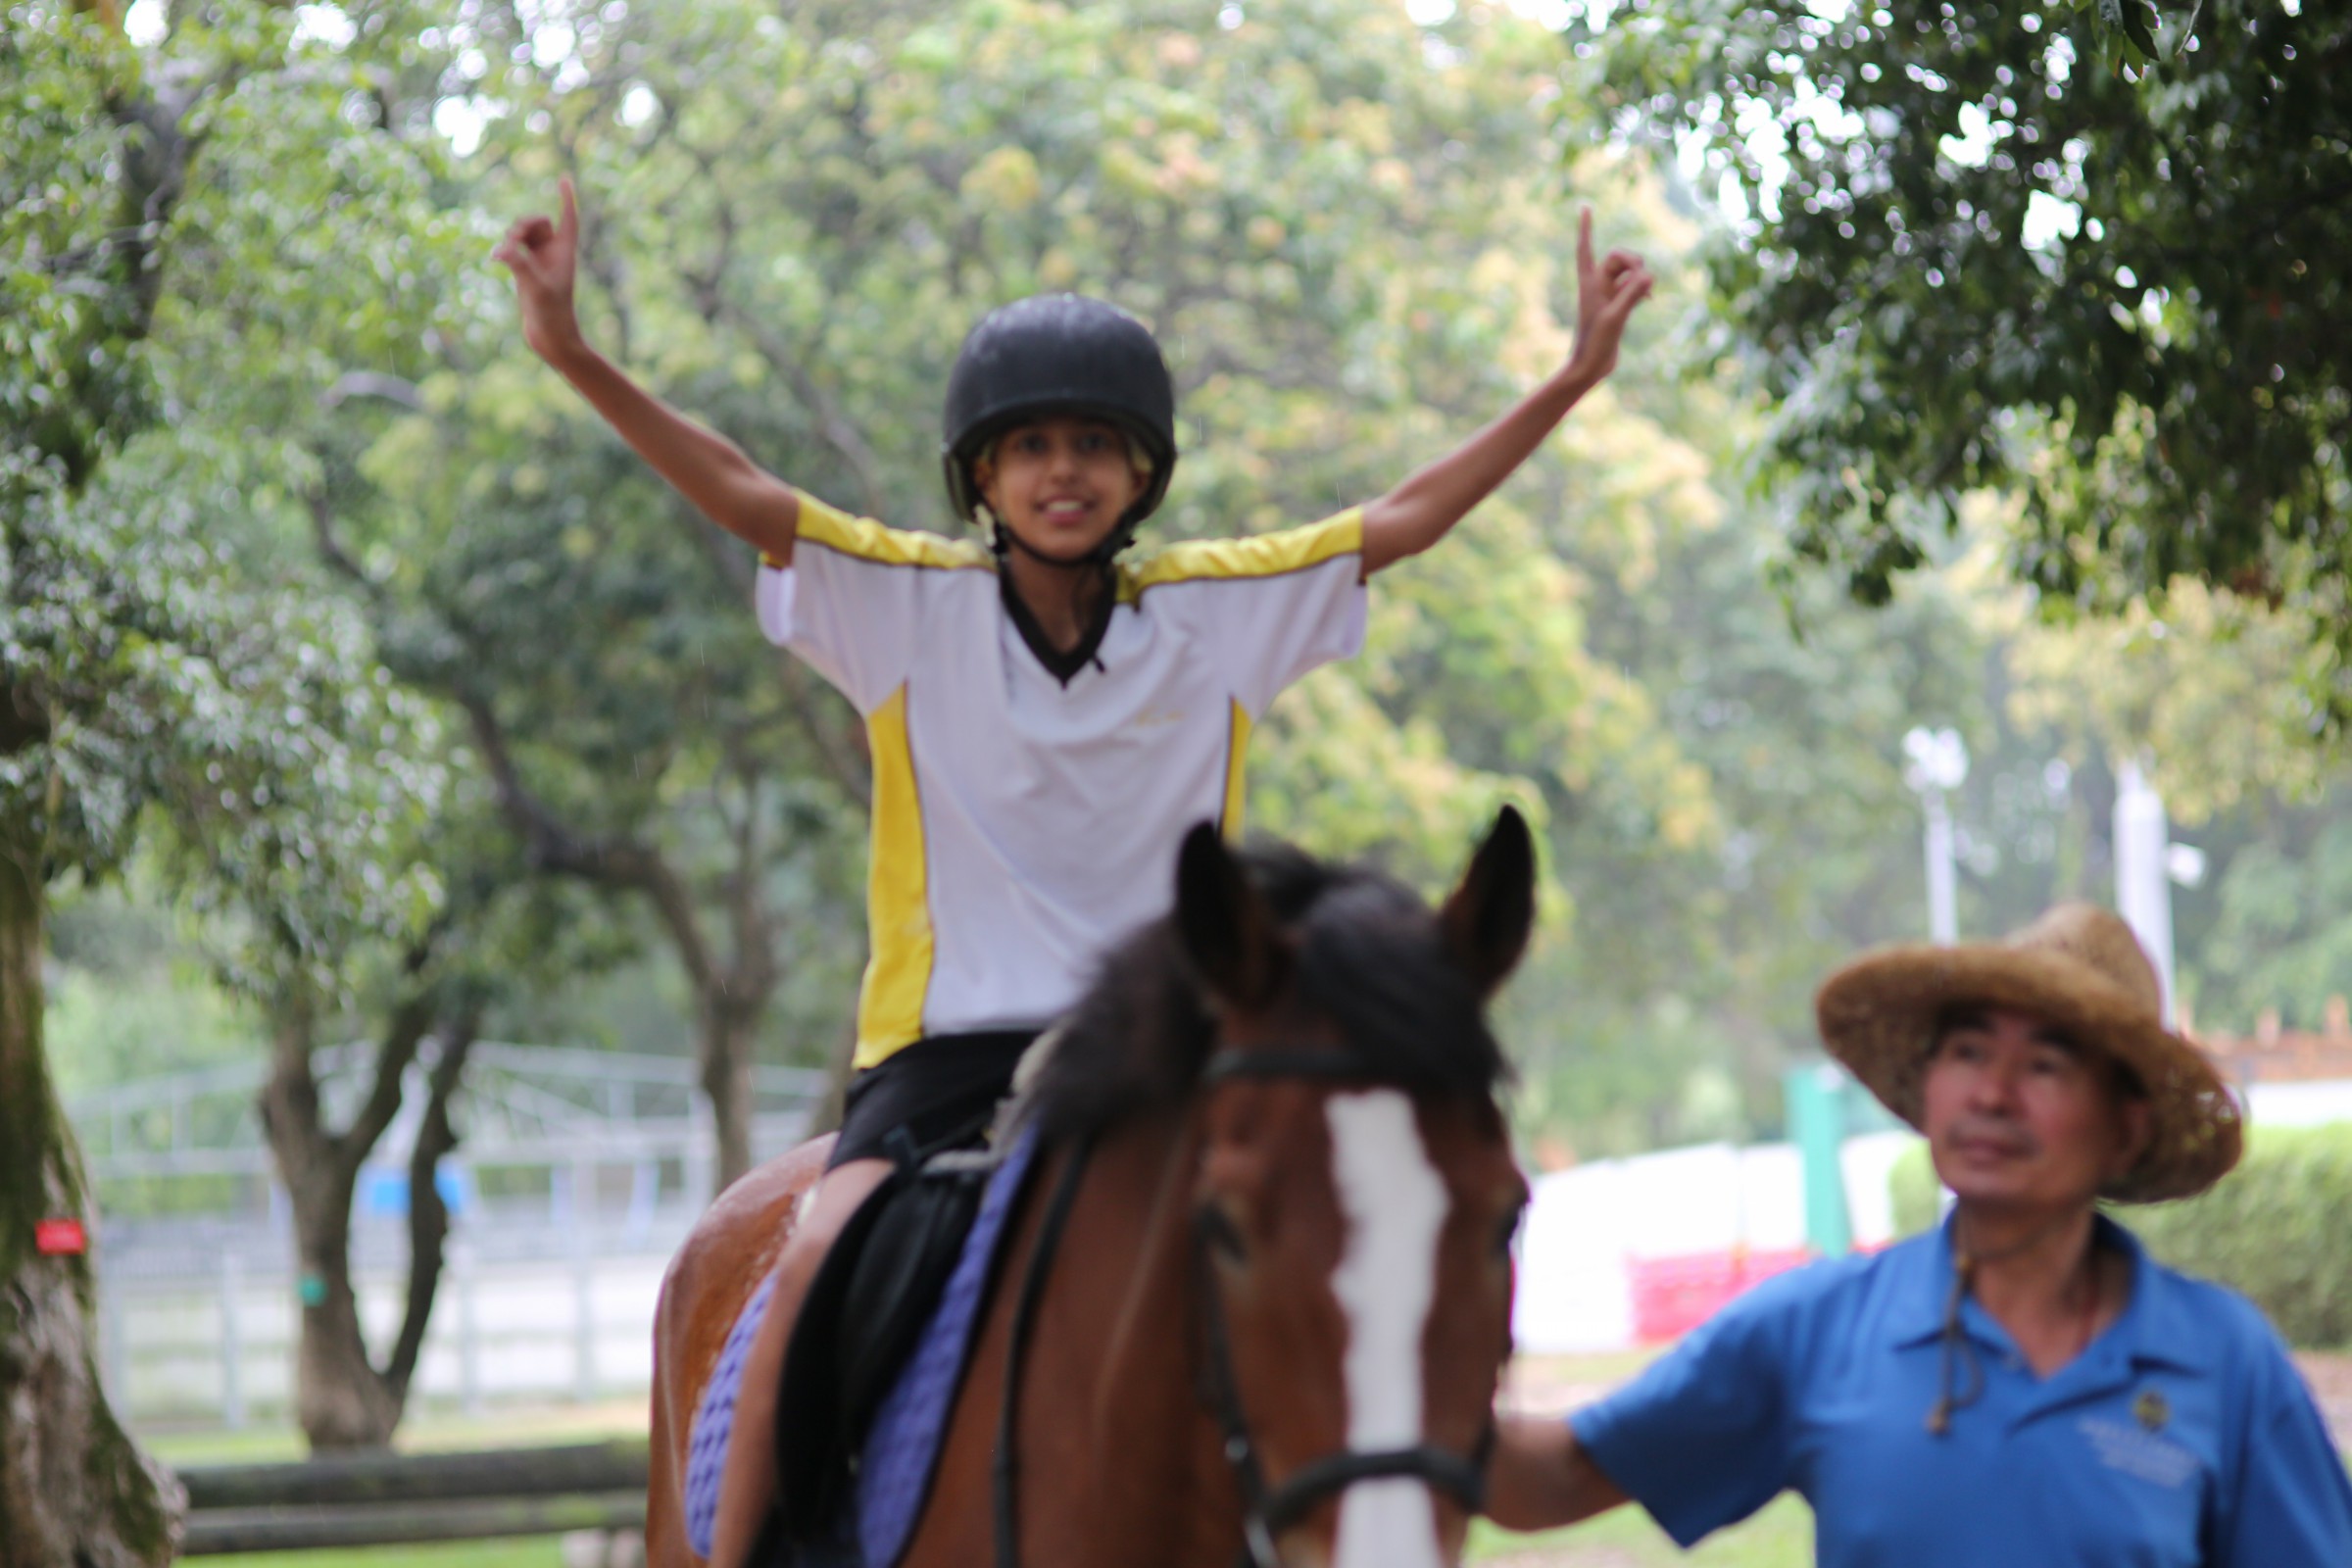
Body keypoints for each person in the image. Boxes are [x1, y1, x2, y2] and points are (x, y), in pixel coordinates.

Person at [496, 176, 1653, 1566]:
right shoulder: (903, 607)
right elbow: (745, 494)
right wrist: (572, 353)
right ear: (980, 477)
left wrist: (1570, 380)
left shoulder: (1216, 620)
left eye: (1098, 445)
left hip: (1161, 1054)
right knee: (807, 1260)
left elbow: (1403, 518)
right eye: (1030, 445)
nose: (1065, 471)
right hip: (941, 1066)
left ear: (1142, 475)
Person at [1486, 902, 2352, 1564]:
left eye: (2045, 1065)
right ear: (1928, 1089)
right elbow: (1550, 1478)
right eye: (1968, 1053)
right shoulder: (1815, 1332)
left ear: (2126, 1129)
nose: (1992, 1094)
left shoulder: (2223, 1363)